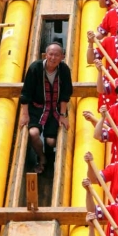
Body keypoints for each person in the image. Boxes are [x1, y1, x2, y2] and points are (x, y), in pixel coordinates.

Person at [19, 43, 73, 173]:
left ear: (62, 57)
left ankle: (50, 155)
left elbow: (66, 93)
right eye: (51, 54)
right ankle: (41, 157)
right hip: (37, 108)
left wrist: (63, 115)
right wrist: (25, 114)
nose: (53, 58)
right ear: (45, 55)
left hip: (54, 108)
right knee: (33, 133)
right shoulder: (35, 68)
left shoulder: (64, 70)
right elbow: (26, 93)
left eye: (57, 55)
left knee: (51, 141)